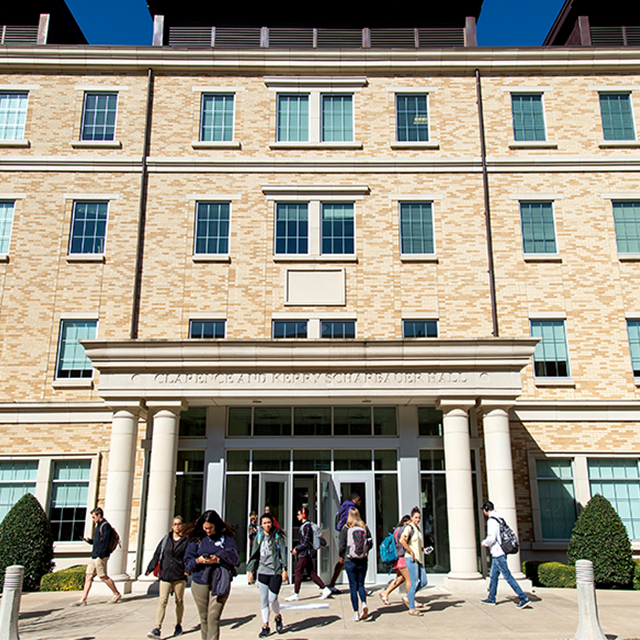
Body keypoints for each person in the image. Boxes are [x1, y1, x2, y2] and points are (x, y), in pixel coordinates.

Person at [184, 510, 240, 640]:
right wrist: (198, 560)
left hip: (220, 581)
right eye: (205, 528)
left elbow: (235, 557)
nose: (207, 531)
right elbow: (187, 561)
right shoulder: (197, 538)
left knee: (213, 617)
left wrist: (218, 559)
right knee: (204, 618)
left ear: (216, 525)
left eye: (210, 528)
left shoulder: (226, 537)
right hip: (200, 580)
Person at [480, 501, 531, 609]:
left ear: (486, 509)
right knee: (493, 576)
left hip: (498, 552)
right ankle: (491, 597)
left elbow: (492, 537)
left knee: (507, 576)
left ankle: (523, 597)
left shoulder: (492, 520)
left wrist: (484, 543)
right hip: (499, 552)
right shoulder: (499, 518)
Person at [145, 516, 189, 639]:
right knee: (162, 601)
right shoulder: (166, 540)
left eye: (179, 524)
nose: (177, 526)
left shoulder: (186, 541)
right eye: (175, 524)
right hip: (166, 575)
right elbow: (158, 554)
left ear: (183, 525)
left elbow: (188, 557)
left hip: (179, 575)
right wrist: (150, 568)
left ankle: (179, 624)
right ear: (172, 526)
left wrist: (188, 570)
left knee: (179, 601)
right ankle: (157, 628)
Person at [246, 513, 288, 638]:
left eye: (268, 522)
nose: (267, 525)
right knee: (264, 600)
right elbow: (254, 555)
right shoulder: (259, 537)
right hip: (262, 572)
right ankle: (265, 626)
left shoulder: (277, 536)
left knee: (272, 599)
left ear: (272, 523)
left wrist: (284, 569)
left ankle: (277, 616)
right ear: (261, 525)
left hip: (274, 572)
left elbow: (283, 554)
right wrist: (250, 571)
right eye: (264, 523)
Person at [72, 507, 121, 606]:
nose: (93, 519)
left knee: (103, 576)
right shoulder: (98, 526)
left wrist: (101, 555)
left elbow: (105, 543)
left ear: (99, 515)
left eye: (94, 517)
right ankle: (83, 599)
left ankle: (116, 593)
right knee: (88, 576)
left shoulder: (105, 526)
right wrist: (89, 541)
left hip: (100, 556)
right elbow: (97, 542)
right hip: (94, 555)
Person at [286, 507, 332, 601]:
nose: (297, 516)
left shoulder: (307, 527)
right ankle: (325, 589)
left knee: (298, 571)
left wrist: (296, 549)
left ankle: (296, 593)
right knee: (311, 573)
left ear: (303, 515)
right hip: (307, 553)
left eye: (299, 514)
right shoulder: (306, 526)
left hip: (305, 553)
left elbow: (305, 542)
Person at [339, 507, 372, 622]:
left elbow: (341, 545)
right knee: (361, 585)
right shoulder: (364, 527)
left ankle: (356, 613)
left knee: (353, 586)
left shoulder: (346, 528)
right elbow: (370, 543)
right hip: (363, 560)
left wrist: (343, 555)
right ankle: (364, 603)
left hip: (350, 560)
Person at [327, 493, 361, 593]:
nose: (360, 502)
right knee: (350, 561)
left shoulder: (344, 506)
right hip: (348, 537)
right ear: (354, 500)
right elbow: (349, 522)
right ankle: (359, 586)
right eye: (359, 500)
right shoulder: (351, 509)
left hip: (344, 536)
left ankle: (332, 584)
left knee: (342, 561)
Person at [400, 506, 431, 616]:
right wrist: (411, 551)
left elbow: (416, 545)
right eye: (416, 517)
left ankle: (408, 597)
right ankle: (412, 608)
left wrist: (423, 549)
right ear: (411, 518)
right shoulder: (409, 528)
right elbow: (402, 540)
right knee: (413, 582)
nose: (418, 520)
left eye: (419, 518)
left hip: (419, 558)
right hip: (411, 558)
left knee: (423, 581)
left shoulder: (417, 529)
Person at [379, 515, 411, 605]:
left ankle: (385, 593)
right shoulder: (402, 530)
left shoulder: (397, 530)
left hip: (397, 558)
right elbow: (402, 543)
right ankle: (410, 599)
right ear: (405, 523)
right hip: (401, 558)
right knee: (409, 579)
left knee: (401, 578)